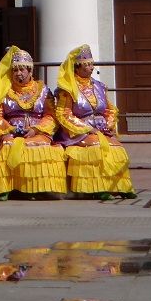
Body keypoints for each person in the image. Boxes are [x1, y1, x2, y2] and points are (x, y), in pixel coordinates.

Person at [54, 44, 136, 200]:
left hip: (101, 129)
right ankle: (98, 188)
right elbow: (63, 114)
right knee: (96, 148)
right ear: (77, 68)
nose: (91, 68)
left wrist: (109, 125)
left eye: (92, 65)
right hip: (78, 131)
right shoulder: (68, 89)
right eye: (87, 65)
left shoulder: (99, 86)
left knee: (116, 148)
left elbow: (109, 110)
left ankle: (120, 186)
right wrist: (85, 129)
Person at [0, 47, 66, 200]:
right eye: (15, 70)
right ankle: (10, 188)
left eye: (22, 70)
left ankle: (39, 188)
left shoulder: (43, 90)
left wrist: (36, 129)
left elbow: (51, 115)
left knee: (41, 147)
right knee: (9, 146)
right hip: (11, 132)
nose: (19, 74)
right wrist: (8, 129)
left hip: (38, 131)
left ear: (30, 71)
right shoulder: (4, 91)